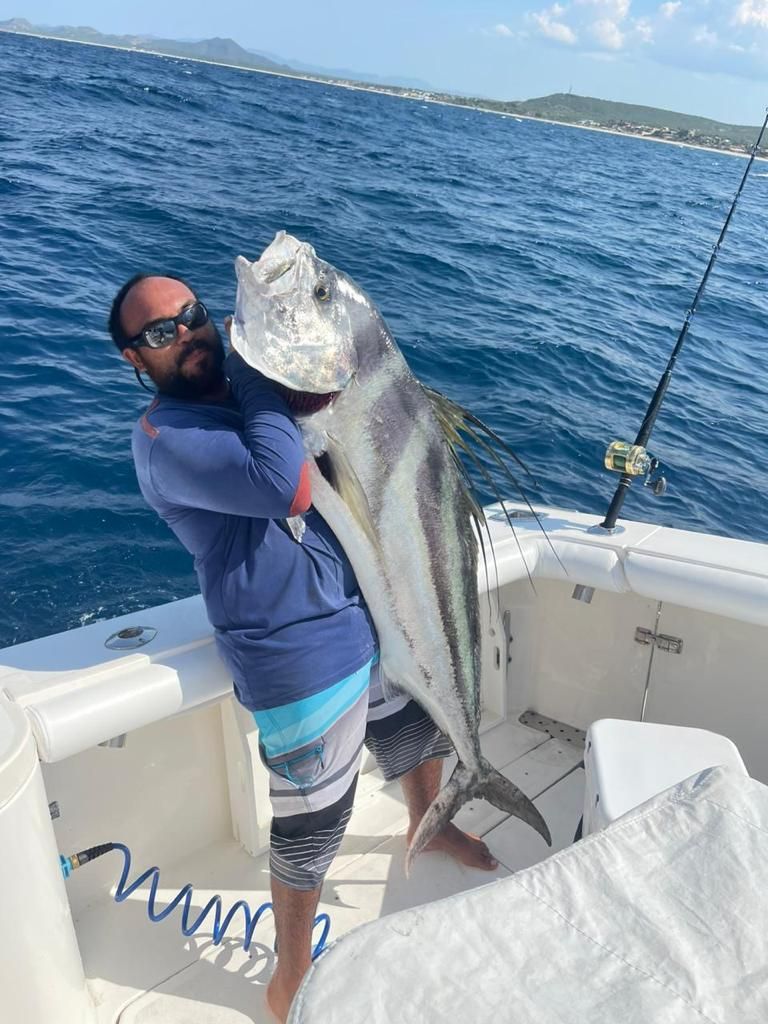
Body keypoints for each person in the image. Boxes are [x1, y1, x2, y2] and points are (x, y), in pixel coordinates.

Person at [109, 272, 498, 1021]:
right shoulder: (166, 439)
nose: (186, 335)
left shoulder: (258, 404)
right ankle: (288, 977)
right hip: (296, 662)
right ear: (134, 360)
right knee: (313, 827)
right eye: (160, 332)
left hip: (366, 617)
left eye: (190, 316)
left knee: (412, 733)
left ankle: (430, 819)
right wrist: (265, 368)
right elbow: (284, 483)